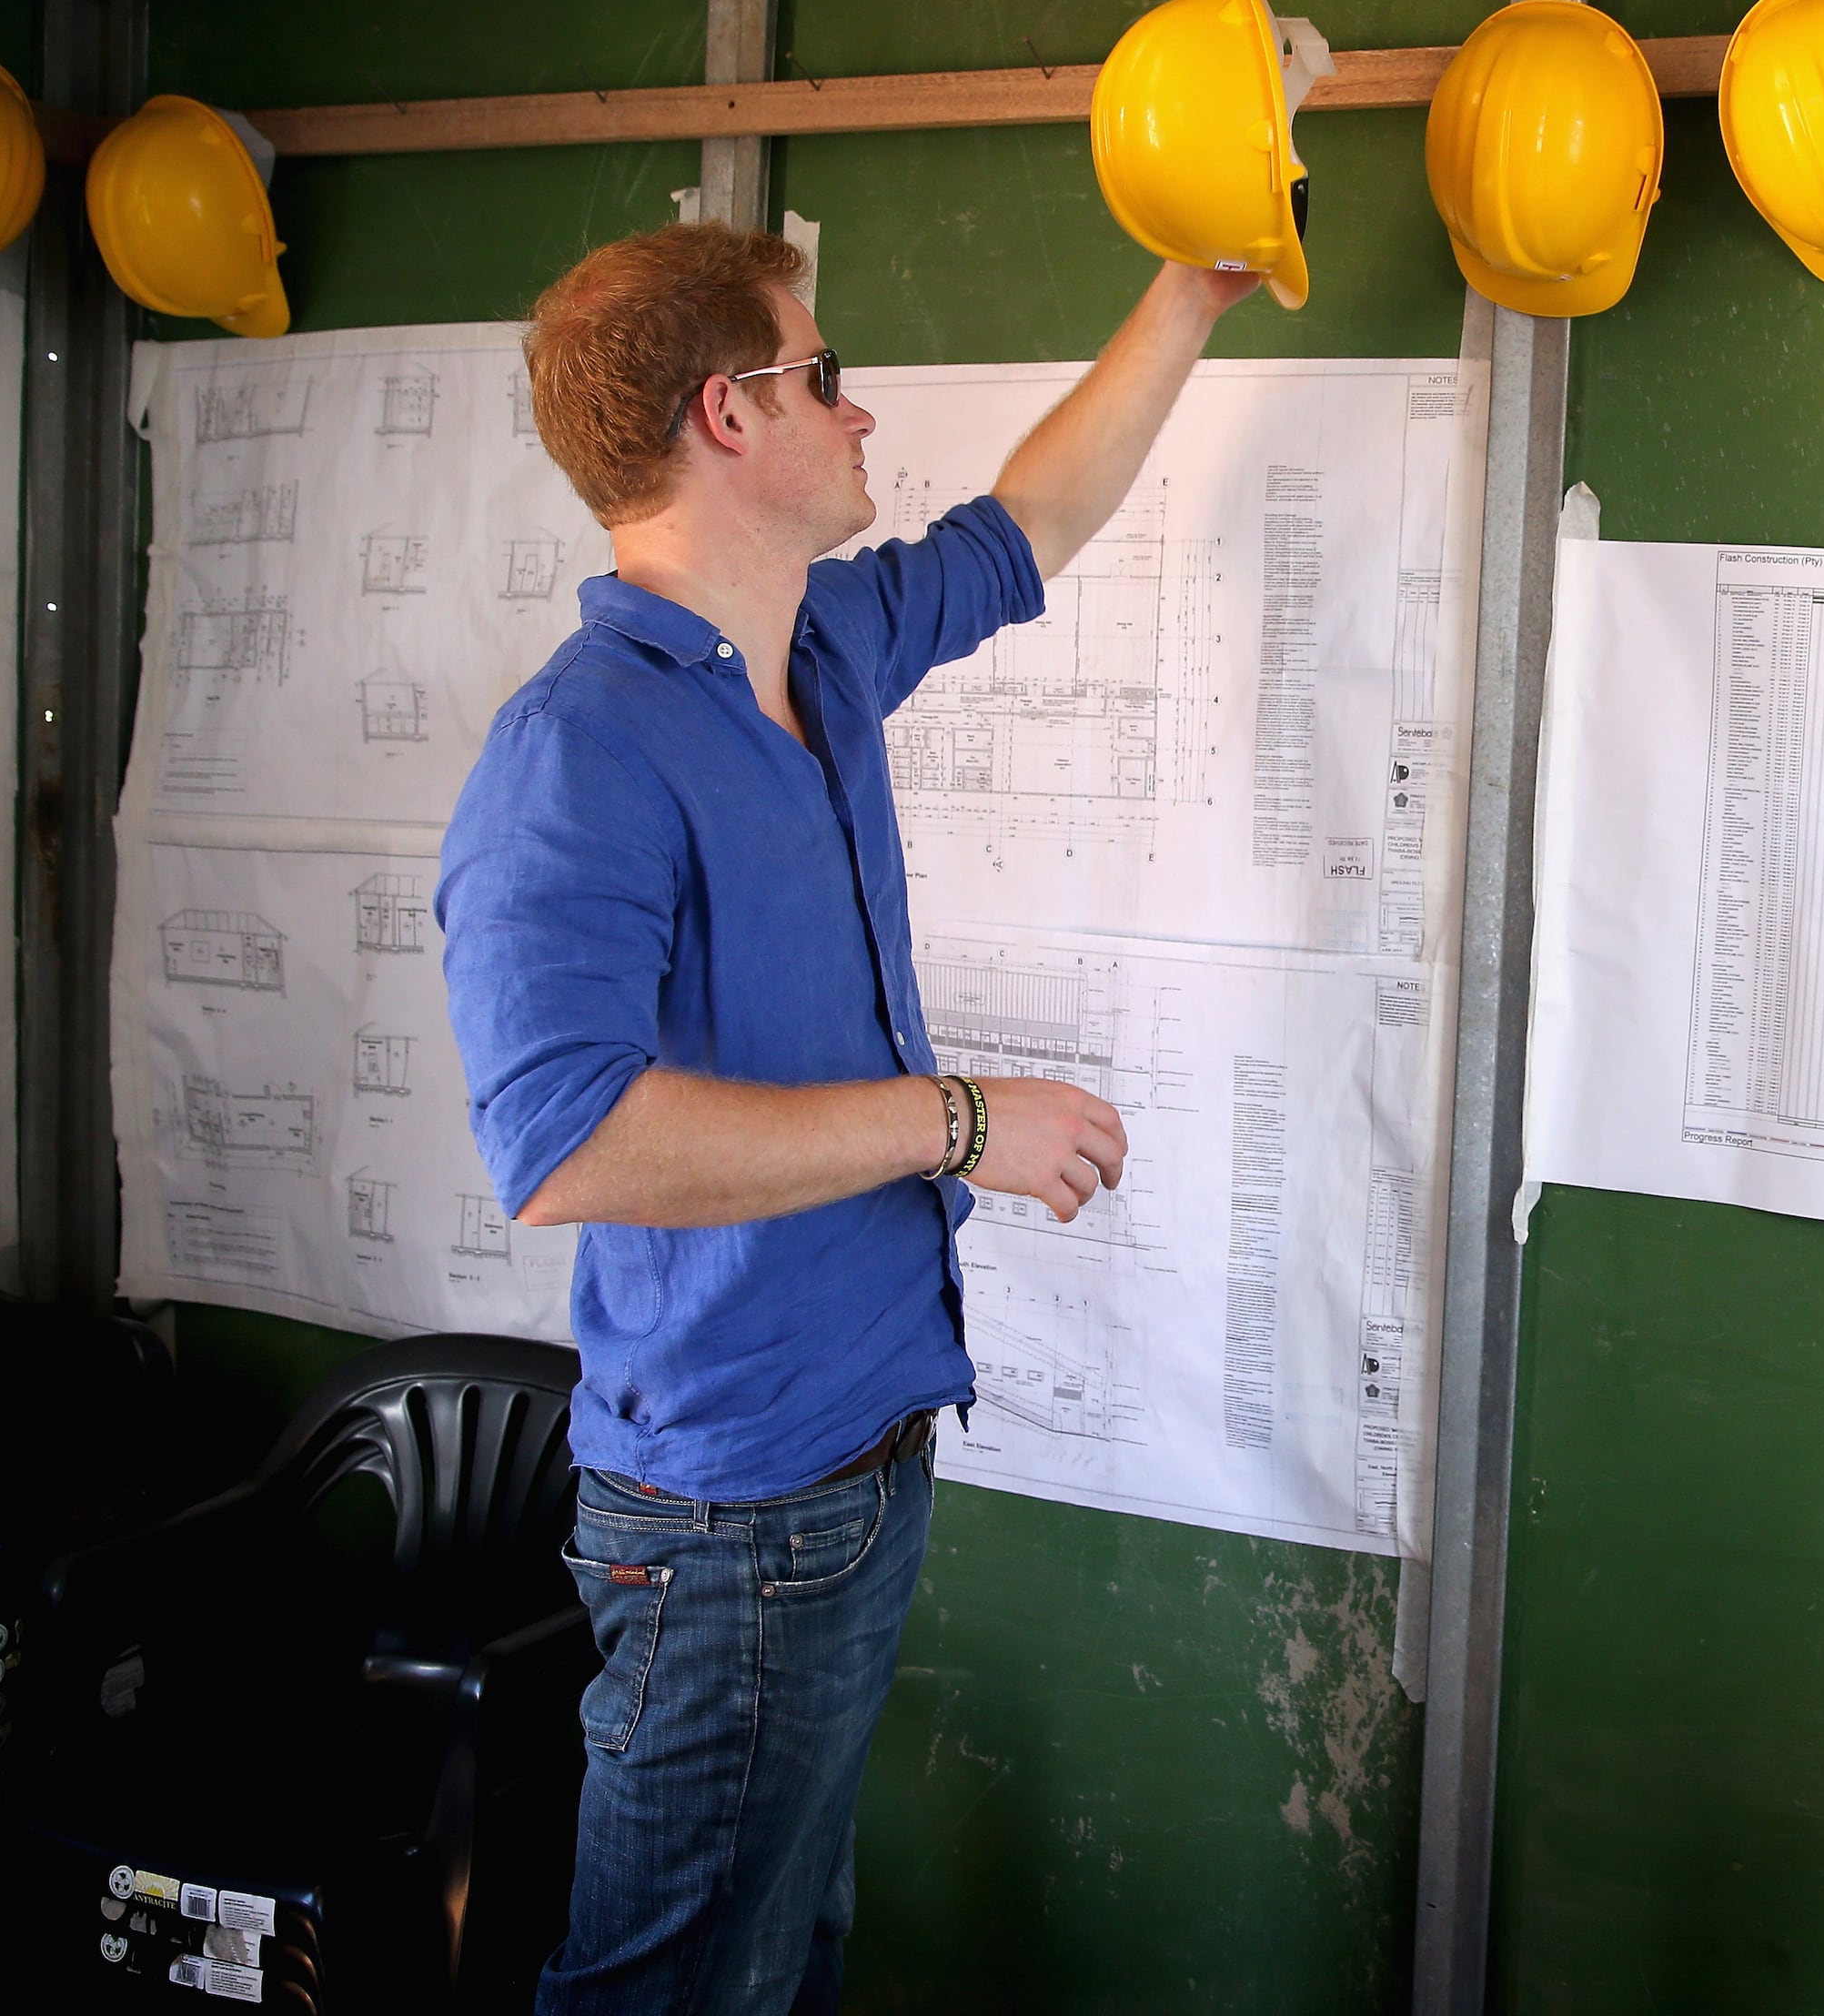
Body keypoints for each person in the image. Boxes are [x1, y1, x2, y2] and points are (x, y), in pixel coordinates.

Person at [438, 223, 1256, 2012]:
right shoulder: (579, 749)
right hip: (728, 1516)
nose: (859, 405)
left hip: (857, 1466)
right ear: (731, 414)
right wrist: (950, 1121)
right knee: (667, 1989)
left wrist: (1185, 296)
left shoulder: (822, 650)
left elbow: (1028, 522)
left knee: (779, 1956)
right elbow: (566, 1138)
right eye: (825, 375)